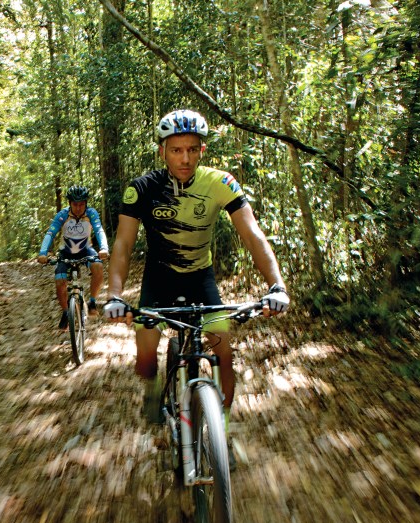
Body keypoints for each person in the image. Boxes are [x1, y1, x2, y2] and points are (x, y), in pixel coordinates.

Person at [103, 109, 289, 423]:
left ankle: (222, 433)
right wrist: (115, 295)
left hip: (200, 278)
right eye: (176, 150)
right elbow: (123, 244)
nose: (185, 158)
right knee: (145, 360)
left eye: (192, 150)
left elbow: (252, 234)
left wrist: (276, 285)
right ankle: (152, 387)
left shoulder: (221, 183)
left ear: (202, 150)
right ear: (162, 151)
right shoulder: (142, 188)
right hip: (158, 279)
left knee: (224, 356)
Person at [37, 185, 110, 329]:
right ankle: (66, 312)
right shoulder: (63, 215)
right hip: (66, 252)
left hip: (85, 250)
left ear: (86, 203)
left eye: (82, 204)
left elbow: (99, 230)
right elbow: (50, 233)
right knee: (60, 282)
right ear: (70, 203)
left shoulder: (91, 213)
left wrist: (104, 248)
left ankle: (93, 301)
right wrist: (43, 252)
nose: (78, 208)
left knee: (98, 266)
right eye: (75, 204)